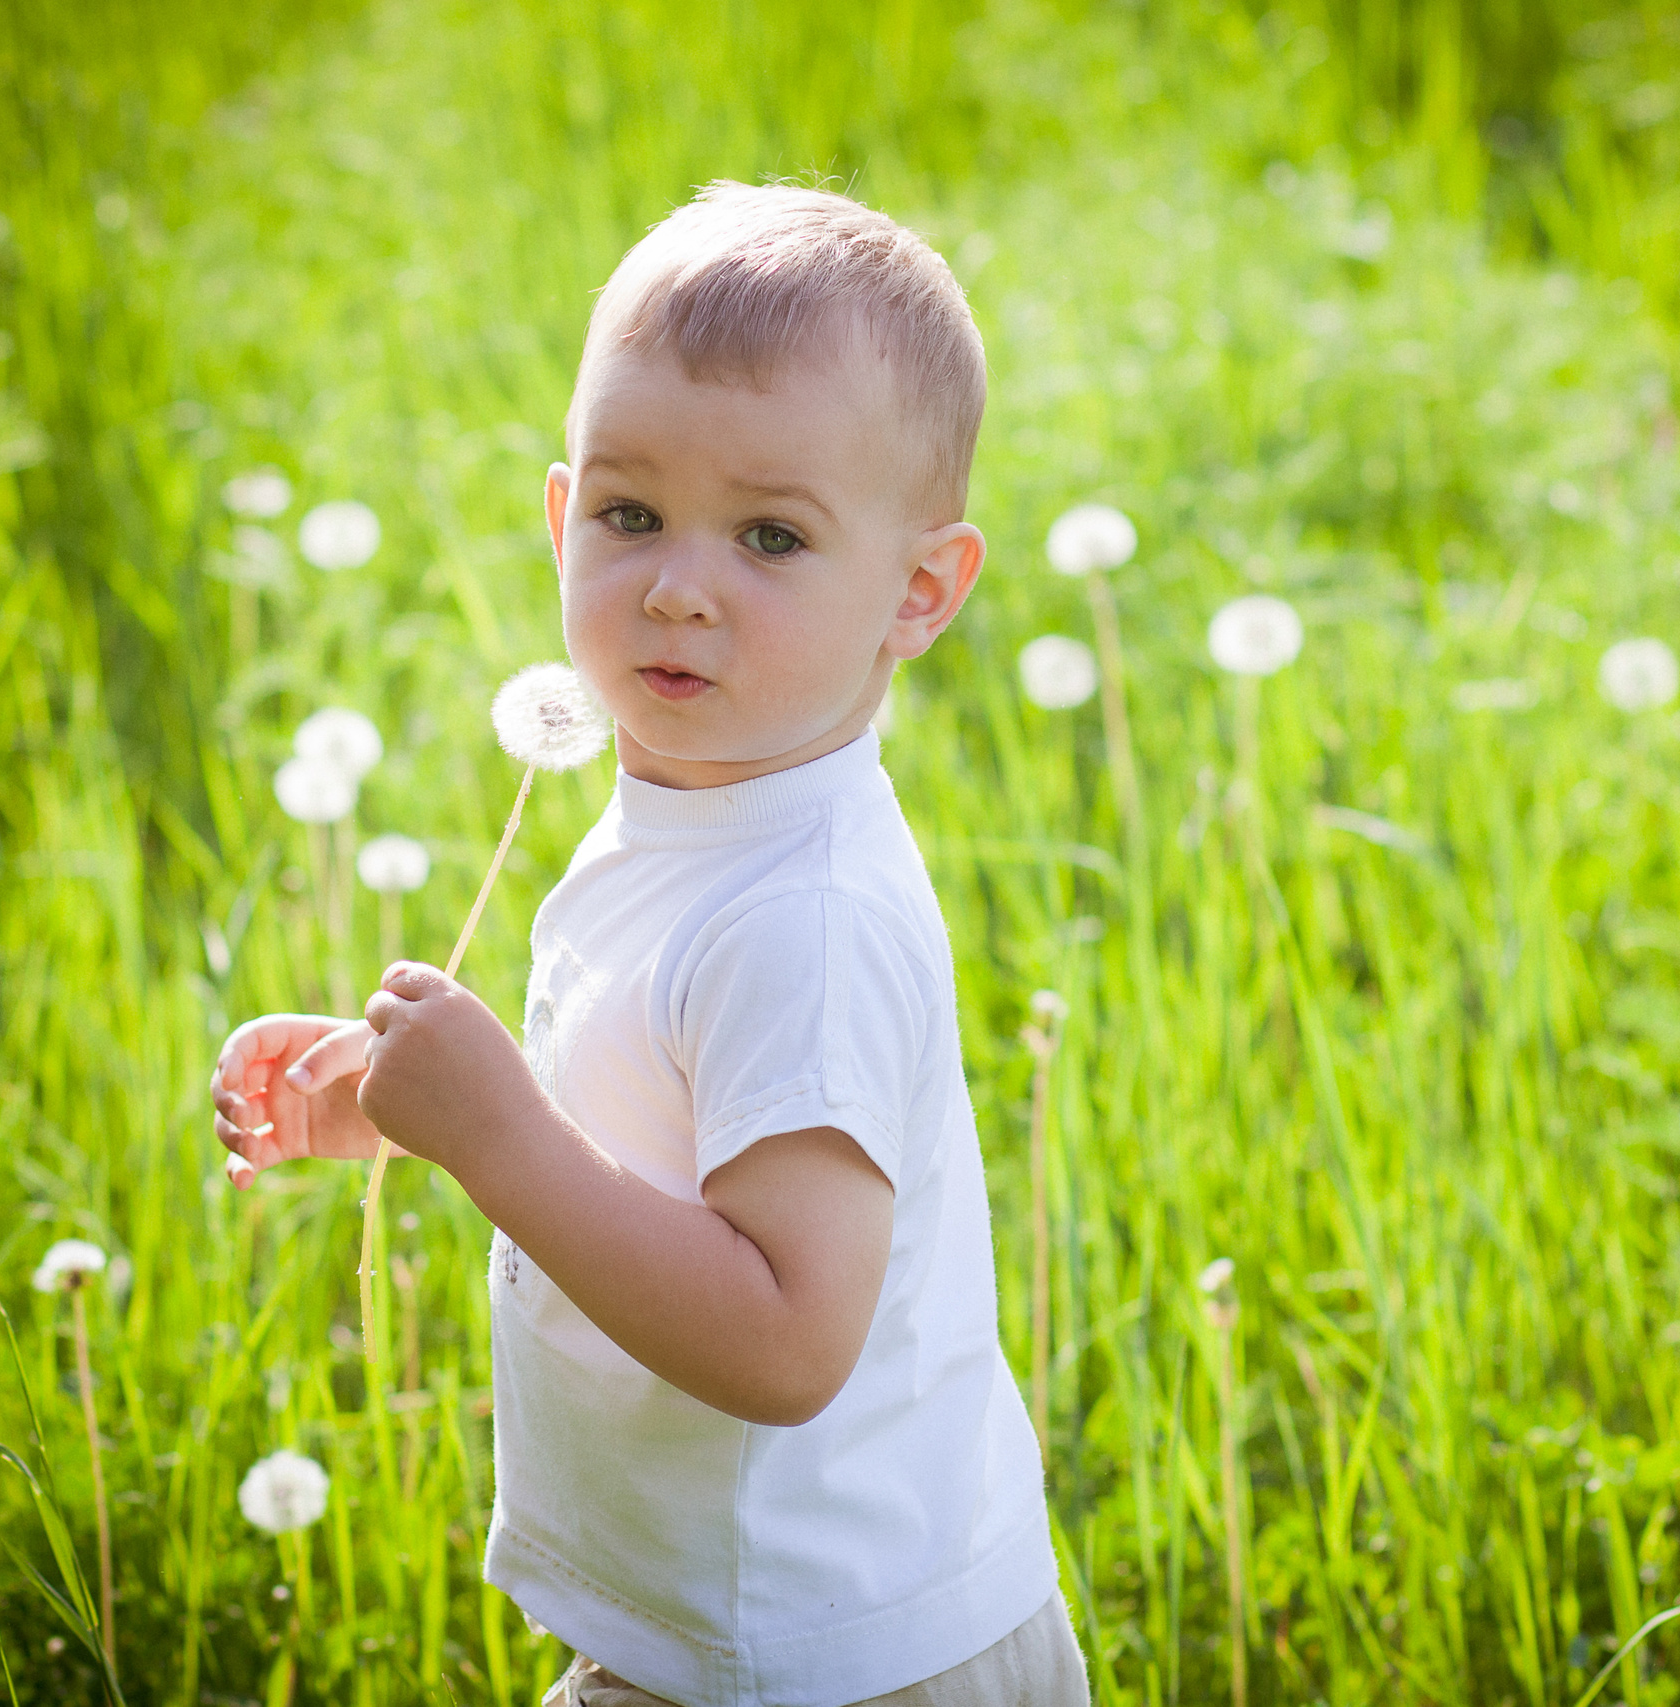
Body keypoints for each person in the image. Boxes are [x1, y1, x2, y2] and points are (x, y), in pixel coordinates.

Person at [210, 182, 1084, 1707]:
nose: (680, 586)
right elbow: (645, 1120)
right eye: (631, 515)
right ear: (561, 517)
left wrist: (498, 1143)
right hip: (732, 1615)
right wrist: (391, 1104)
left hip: (824, 1653)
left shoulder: (803, 920)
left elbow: (786, 1339)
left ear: (919, 593)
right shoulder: (701, 810)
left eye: (769, 535)